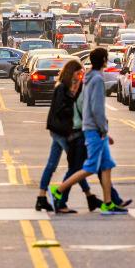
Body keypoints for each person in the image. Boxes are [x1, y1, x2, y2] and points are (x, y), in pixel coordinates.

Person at [47, 47, 128, 215]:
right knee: (90, 167)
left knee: (106, 165)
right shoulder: (98, 80)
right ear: (104, 60)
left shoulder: (89, 78)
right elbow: (97, 108)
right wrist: (103, 129)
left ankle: (108, 203)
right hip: (95, 129)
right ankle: (59, 189)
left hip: (92, 128)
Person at [36, 59, 97, 213]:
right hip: (62, 131)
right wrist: (74, 96)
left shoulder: (69, 86)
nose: (80, 75)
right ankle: (71, 199)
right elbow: (62, 110)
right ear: (71, 72)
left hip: (59, 131)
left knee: (53, 164)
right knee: (76, 167)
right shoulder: (62, 88)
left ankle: (41, 198)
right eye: (78, 72)